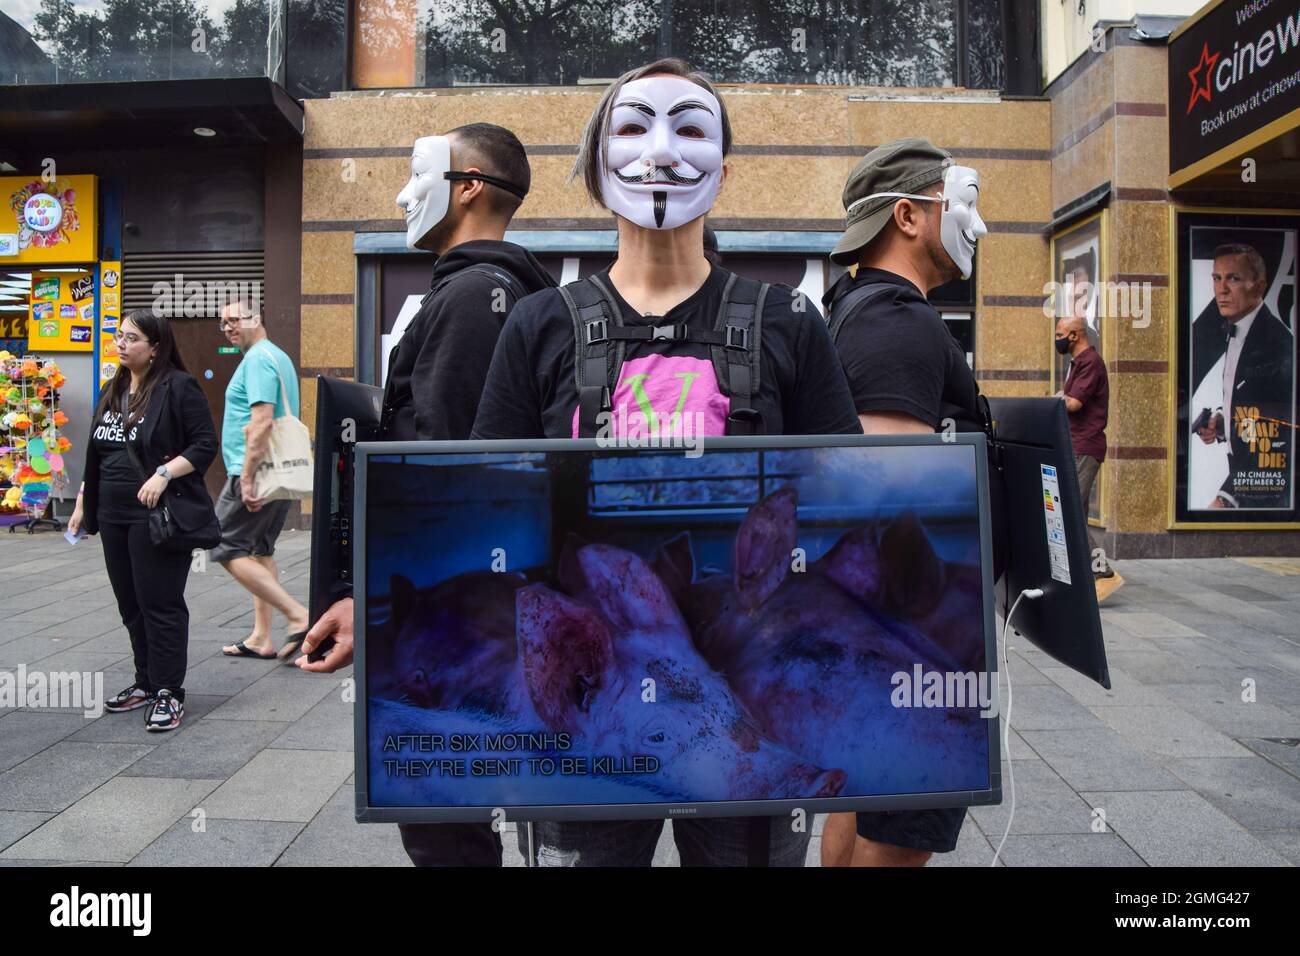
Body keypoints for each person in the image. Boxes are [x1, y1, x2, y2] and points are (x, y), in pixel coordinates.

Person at [471, 58, 861, 867]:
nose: (660, 150)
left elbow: (841, 493)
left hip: (748, 698)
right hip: (601, 712)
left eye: (688, 127)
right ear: (593, 163)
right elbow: (492, 497)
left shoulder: (791, 321)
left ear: (722, 167)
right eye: (633, 126)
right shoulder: (538, 326)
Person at [297, 123, 556, 867]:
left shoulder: (476, 293)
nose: (405, 192)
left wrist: (366, 590)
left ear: (469, 184)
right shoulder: (489, 289)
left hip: (451, 603)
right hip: (463, 592)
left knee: (441, 810)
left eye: (417, 172)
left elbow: (441, 463)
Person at [820, 137, 988, 867]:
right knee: (899, 832)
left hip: (880, 633)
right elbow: (889, 493)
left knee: (860, 796)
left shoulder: (862, 309)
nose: (978, 227)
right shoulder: (897, 319)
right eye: (965, 205)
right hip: (911, 639)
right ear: (908, 215)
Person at [68, 309, 219, 732]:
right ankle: (146, 682)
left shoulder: (178, 387)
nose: (121, 343)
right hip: (112, 515)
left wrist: (164, 472)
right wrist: (83, 500)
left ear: (155, 347)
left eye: (131, 338)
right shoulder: (110, 388)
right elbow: (97, 454)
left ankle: (169, 692)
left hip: (157, 516)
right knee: (130, 604)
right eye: (118, 336)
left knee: (160, 604)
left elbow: (205, 445)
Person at [214, 297, 309, 661]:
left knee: (223, 544)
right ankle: (261, 637)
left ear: (257, 318)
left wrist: (248, 479)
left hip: (253, 470)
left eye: (235, 320)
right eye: (223, 323)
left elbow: (262, 421)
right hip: (279, 472)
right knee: (260, 549)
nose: (229, 328)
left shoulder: (256, 360)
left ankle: (297, 614)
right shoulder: (276, 356)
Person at [1195, 243, 1294, 510]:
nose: (1221, 289)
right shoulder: (1238, 326)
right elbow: (1252, 400)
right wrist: (1221, 419)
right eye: (1217, 278)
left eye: (1233, 279)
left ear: (1259, 287)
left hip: (1264, 489)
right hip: (1245, 480)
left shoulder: (1275, 344)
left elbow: (1277, 432)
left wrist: (1227, 498)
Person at [1054, 313, 1122, 601]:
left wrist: (1058, 397)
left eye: (1060, 333)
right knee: (1075, 514)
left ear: (1075, 335)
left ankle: (1102, 573)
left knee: (1069, 512)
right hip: (1076, 445)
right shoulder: (1078, 363)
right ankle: (1085, 576)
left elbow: (1074, 403)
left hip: (1085, 447)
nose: (1057, 338)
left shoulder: (1090, 363)